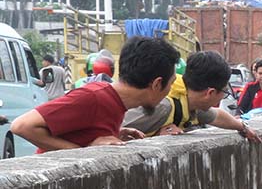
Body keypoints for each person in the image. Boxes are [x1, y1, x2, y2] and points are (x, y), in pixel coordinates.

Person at [12, 35, 177, 153]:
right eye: (171, 83)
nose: (170, 89)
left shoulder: (116, 103)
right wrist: (85, 151)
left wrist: (114, 134)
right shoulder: (93, 97)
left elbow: (79, 132)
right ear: (156, 84)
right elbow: (22, 126)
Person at [122, 51, 260, 143]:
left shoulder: (189, 103)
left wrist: (243, 127)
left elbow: (216, 116)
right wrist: (154, 137)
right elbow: (108, 133)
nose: (223, 97)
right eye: (224, 92)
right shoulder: (163, 106)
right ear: (210, 93)